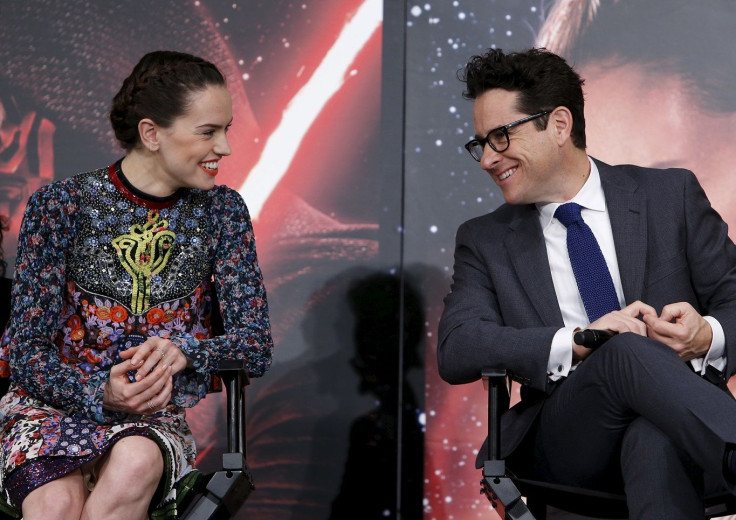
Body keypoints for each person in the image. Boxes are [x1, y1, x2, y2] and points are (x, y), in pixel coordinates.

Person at [437, 47, 736, 518]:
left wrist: (707, 335)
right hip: (569, 438)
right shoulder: (484, 239)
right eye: (481, 143)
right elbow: (457, 347)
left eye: (500, 137)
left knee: (653, 438)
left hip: (678, 429)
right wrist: (579, 341)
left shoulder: (669, 196)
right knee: (624, 348)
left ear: (558, 124)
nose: (487, 160)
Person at [0, 50, 273, 520]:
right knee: (55, 504)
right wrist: (96, 393)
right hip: (50, 409)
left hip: (150, 421)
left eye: (225, 130)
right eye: (208, 132)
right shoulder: (61, 205)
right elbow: (25, 351)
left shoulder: (223, 213)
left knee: (135, 463)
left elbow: (255, 346)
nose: (224, 148)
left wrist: (187, 350)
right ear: (151, 133)